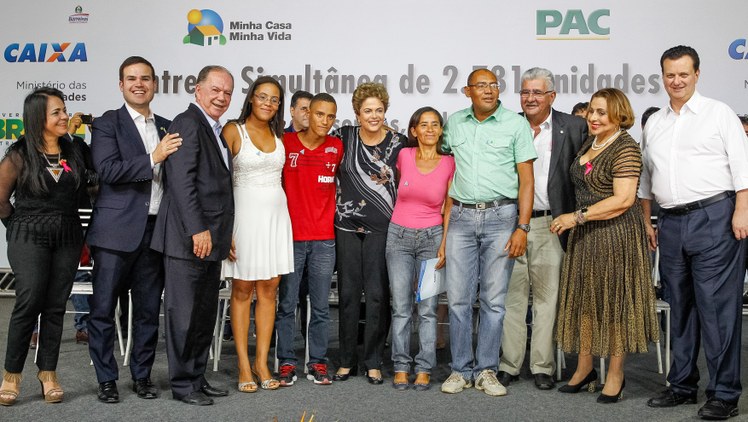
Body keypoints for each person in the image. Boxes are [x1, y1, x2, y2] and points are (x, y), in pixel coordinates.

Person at [642, 46, 748, 420]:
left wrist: (742, 211)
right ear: (662, 76)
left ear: (697, 74)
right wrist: (646, 220)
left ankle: (724, 394)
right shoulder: (655, 123)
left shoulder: (719, 114)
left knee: (717, 310)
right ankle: (683, 385)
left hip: (716, 217)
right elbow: (646, 178)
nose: (677, 81)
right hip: (670, 223)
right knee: (680, 309)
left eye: (683, 74)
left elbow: (743, 167)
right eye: (670, 74)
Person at [553, 87, 658, 404]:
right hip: (586, 237)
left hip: (616, 236)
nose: (594, 117)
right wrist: (579, 221)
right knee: (585, 302)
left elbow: (623, 200)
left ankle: (615, 374)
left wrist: (575, 217)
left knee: (614, 305)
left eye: (602, 112)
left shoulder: (626, 148)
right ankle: (585, 369)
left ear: (619, 114)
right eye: (592, 111)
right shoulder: (591, 141)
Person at [86, 56, 181, 403]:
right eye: (131, 79)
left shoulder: (168, 127)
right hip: (114, 233)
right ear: (121, 85)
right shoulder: (107, 123)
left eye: (145, 78)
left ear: (155, 84)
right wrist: (154, 157)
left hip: (156, 231)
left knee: (147, 311)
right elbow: (108, 170)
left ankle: (142, 376)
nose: (138, 84)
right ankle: (106, 379)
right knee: (102, 309)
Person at [439, 68, 536, 397]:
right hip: (461, 217)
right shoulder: (455, 123)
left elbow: (527, 180)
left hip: (501, 217)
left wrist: (522, 226)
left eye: (493, 85)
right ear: (468, 91)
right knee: (458, 300)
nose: (489, 90)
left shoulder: (515, 124)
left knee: (493, 301)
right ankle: (460, 369)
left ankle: (486, 370)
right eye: (481, 85)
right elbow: (439, 162)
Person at [150, 65, 234, 406]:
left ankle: (196, 378)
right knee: (184, 317)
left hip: (210, 240)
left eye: (227, 92)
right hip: (188, 240)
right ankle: (183, 385)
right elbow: (181, 182)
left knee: (202, 316)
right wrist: (198, 229)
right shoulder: (187, 122)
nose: (221, 97)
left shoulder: (213, 128)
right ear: (198, 90)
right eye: (215, 89)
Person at [498, 68, 587, 391]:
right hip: (510, 224)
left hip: (552, 224)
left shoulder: (574, 127)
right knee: (512, 298)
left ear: (552, 96)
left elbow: (585, 175)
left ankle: (542, 366)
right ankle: (509, 365)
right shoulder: (508, 125)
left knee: (548, 300)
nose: (530, 98)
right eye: (525, 92)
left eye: (537, 92)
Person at [0, 87, 89, 406]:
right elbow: (1, 200)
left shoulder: (75, 149)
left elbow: (91, 184)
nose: (65, 116)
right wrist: (18, 229)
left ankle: (48, 373)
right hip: (28, 235)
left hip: (68, 235)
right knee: (29, 301)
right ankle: (11, 375)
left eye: (64, 110)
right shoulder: (19, 154)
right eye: (57, 112)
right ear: (39, 118)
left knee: (55, 305)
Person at [332, 82, 406, 385]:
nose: (374, 116)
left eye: (379, 110)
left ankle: (374, 361)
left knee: (377, 296)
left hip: (383, 228)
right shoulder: (343, 137)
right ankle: (346, 361)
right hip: (346, 226)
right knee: (348, 295)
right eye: (367, 111)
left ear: (385, 111)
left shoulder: (399, 143)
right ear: (357, 113)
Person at [222, 76, 293, 393]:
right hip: (243, 220)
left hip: (276, 219)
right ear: (251, 98)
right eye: (263, 96)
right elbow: (219, 182)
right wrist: (224, 229)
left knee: (269, 290)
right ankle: (243, 365)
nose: (268, 103)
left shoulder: (280, 135)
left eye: (274, 99)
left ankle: (262, 363)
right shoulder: (232, 131)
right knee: (242, 290)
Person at [276, 93, 343, 387]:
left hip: (324, 241)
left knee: (320, 307)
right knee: (287, 304)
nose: (325, 121)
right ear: (307, 114)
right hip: (290, 239)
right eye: (319, 114)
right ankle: (286, 362)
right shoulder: (285, 143)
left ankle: (317, 361)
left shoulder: (336, 147)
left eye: (330, 116)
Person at [386, 106, 455, 392]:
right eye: (423, 124)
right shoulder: (404, 155)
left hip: (432, 238)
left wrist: (444, 243)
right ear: (413, 130)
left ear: (441, 130)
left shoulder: (449, 163)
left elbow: (449, 206)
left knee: (427, 309)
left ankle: (424, 367)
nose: (429, 129)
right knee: (401, 307)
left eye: (435, 124)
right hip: (398, 237)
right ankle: (401, 366)